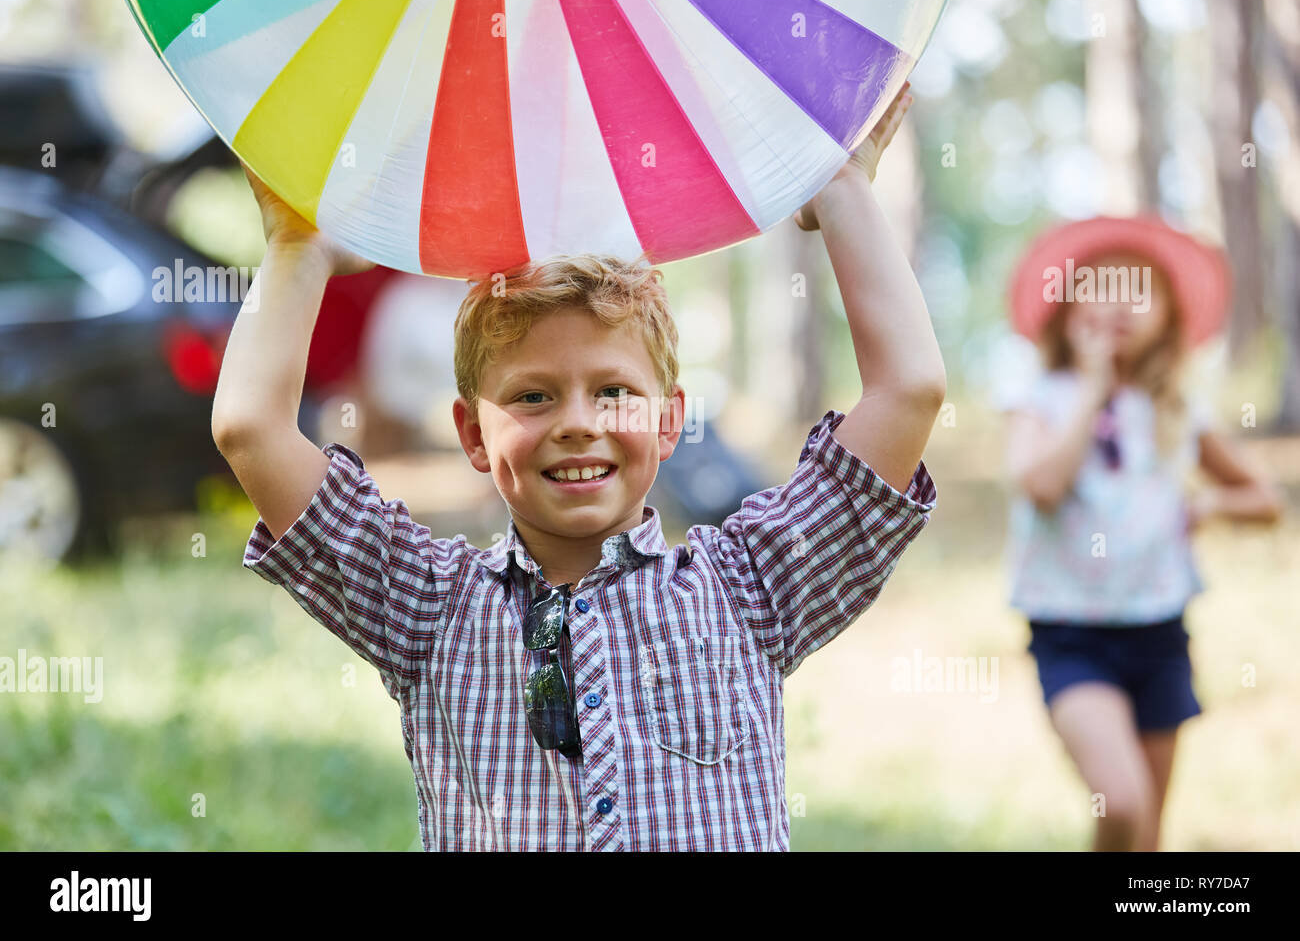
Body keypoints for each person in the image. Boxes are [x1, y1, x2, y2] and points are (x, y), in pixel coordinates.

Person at [209, 85, 945, 850]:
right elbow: (251, 429)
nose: (576, 424)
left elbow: (909, 392)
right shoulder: (423, 607)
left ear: (668, 422)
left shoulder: (751, 585)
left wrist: (843, 192)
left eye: (614, 392)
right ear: (471, 433)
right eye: (532, 396)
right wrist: (300, 247)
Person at [998, 217, 1283, 851]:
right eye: (1101, 286)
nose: (1121, 301)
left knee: (1149, 835)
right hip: (1071, 633)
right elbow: (1040, 485)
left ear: (1169, 315)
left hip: (1157, 631)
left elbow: (1265, 501)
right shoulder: (1039, 395)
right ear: (1067, 306)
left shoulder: (1178, 407)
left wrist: (1209, 505)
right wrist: (1094, 390)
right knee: (1121, 803)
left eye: (1140, 289)